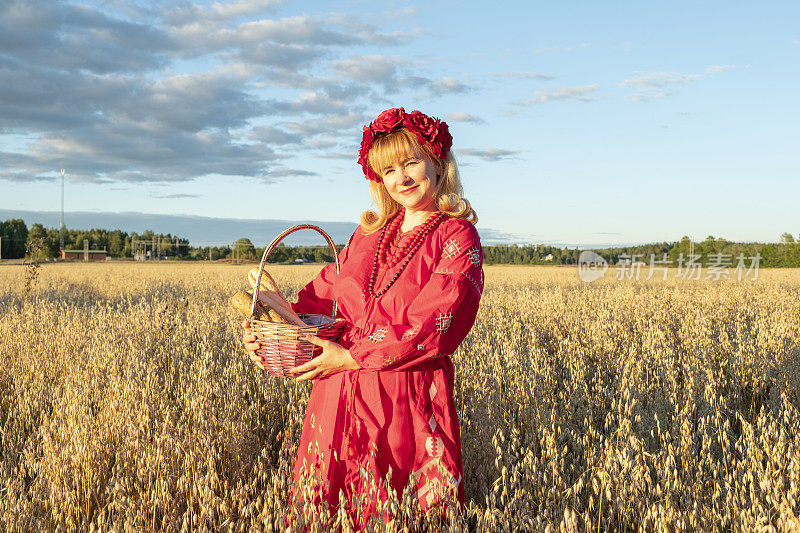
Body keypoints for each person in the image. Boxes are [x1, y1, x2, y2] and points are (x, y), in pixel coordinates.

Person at [242, 107, 484, 523]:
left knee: (400, 510)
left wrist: (353, 356)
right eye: (389, 170)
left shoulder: (456, 235)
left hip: (405, 393)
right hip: (336, 395)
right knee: (330, 510)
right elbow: (320, 299)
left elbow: (438, 320)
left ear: (438, 163)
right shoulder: (368, 233)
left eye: (411, 163)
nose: (401, 179)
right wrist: (271, 328)